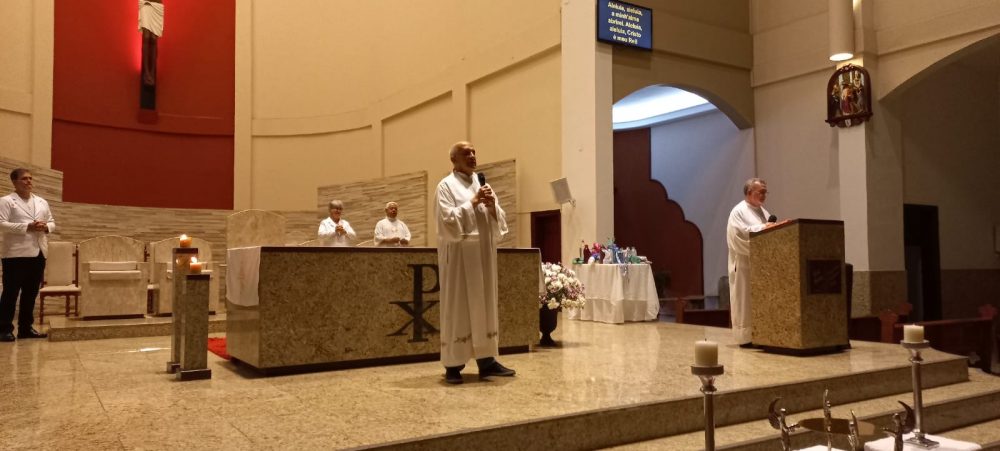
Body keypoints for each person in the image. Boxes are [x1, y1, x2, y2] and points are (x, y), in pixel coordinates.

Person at [435, 141, 515, 384]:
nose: (472, 156)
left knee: (485, 305)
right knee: (458, 307)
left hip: (483, 255)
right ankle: (453, 364)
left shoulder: (482, 184)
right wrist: (473, 202)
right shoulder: (445, 186)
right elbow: (447, 221)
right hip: (460, 258)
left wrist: (491, 207)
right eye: (466, 153)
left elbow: (500, 221)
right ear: (454, 159)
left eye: (473, 152)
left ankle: (487, 360)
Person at [726, 178, 784, 348]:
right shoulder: (738, 211)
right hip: (744, 264)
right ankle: (745, 338)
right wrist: (764, 228)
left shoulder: (764, 212)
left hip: (761, 266)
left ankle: (762, 334)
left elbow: (769, 231)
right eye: (761, 192)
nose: (764, 195)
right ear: (750, 192)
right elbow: (738, 235)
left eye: (766, 192)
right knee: (745, 300)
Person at [0, 168, 55, 342]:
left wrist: (46, 227)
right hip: (15, 254)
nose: (29, 181)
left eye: (30, 178)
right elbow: (1, 224)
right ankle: (4, 329)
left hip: (38, 253)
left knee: (31, 293)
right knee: (11, 293)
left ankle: (25, 328)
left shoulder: (41, 202)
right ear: (14, 182)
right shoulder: (6, 201)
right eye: (24, 179)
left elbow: (52, 222)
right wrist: (27, 227)